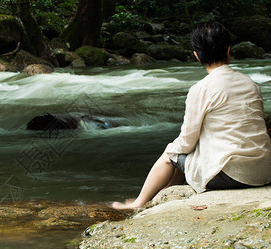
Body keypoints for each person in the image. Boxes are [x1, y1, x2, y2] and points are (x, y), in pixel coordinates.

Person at [113, 21, 271, 210]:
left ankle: (138, 203)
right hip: (262, 171)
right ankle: (167, 190)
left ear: (197, 56)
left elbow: (186, 142)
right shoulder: (250, 84)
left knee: (170, 152)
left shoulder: (201, 88)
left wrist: (174, 150)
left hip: (230, 175)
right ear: (229, 50)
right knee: (192, 150)